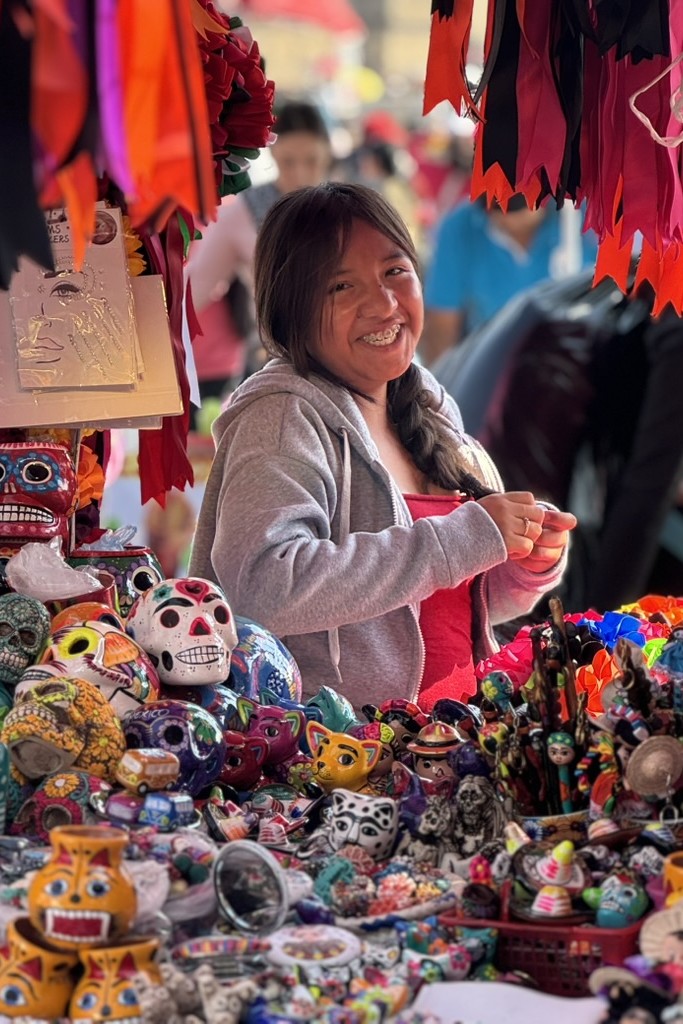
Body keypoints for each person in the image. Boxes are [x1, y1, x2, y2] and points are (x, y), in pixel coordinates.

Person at [189, 183, 576, 711]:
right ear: (291, 309)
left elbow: (432, 605)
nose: (384, 304)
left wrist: (517, 562)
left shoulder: (427, 403)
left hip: (447, 741)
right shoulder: (282, 415)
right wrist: (457, 540)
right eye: (341, 287)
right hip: (335, 759)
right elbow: (263, 586)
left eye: (395, 271)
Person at [419, 194, 597, 367]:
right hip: (493, 369)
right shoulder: (460, 227)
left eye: (522, 216)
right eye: (500, 215)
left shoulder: (588, 217)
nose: (510, 223)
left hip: (578, 360)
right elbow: (441, 331)